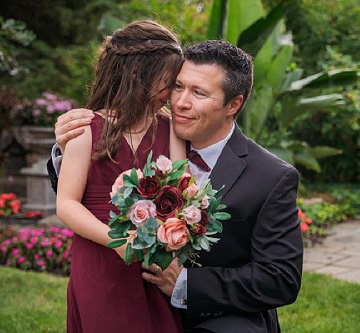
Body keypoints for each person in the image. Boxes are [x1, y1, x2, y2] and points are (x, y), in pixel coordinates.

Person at [49, 40, 303, 333]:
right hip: (126, 293)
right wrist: (63, 148)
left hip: (216, 314)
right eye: (177, 86)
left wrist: (185, 285)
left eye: (199, 93)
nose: (180, 102)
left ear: (234, 104)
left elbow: (280, 279)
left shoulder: (270, 177)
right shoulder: (153, 128)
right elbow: (95, 180)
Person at [54, 20, 185, 333]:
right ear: (139, 76)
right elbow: (67, 204)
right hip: (100, 259)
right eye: (168, 82)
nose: (171, 93)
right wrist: (117, 241)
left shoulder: (172, 131)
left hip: (153, 260)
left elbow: (180, 190)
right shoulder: (85, 129)